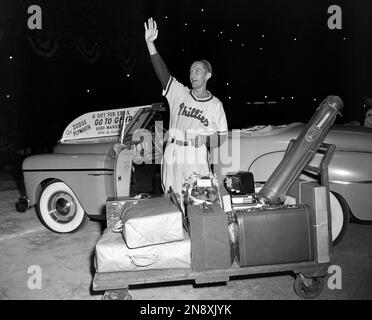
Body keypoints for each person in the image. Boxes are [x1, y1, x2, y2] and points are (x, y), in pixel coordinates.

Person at [144, 17, 228, 196]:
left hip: (195, 155)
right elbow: (163, 73)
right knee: (171, 199)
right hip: (173, 151)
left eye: (197, 71)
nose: (192, 74)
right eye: (191, 71)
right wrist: (151, 45)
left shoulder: (215, 105)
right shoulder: (179, 93)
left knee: (198, 200)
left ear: (208, 75)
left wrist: (206, 141)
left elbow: (222, 136)